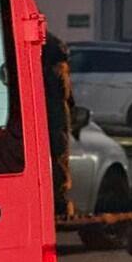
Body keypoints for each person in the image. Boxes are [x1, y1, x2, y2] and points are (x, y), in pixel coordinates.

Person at [41, 31, 75, 218]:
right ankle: (59, 204)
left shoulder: (48, 72)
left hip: (53, 120)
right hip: (56, 121)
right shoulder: (58, 73)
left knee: (57, 157)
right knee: (58, 157)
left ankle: (58, 204)